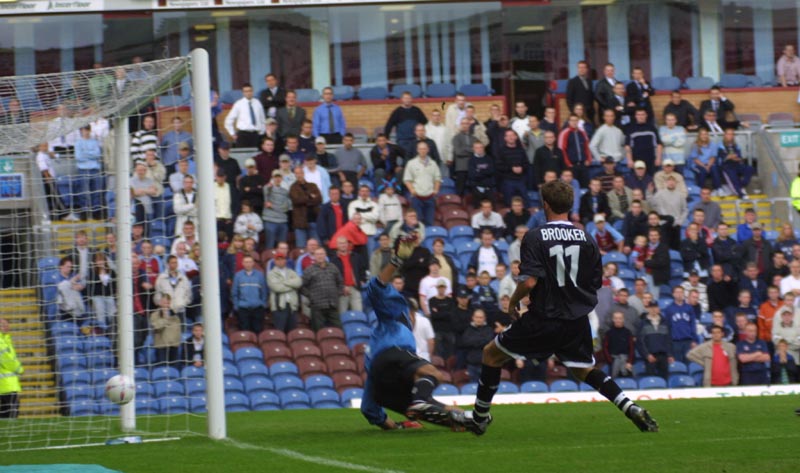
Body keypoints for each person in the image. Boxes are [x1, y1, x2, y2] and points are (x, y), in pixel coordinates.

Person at [461, 180, 658, 435]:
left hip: (543, 317)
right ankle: (629, 406)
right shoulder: (587, 238)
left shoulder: (535, 236)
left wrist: (513, 301)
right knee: (584, 369)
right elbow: (595, 283)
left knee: (491, 354)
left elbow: (530, 281)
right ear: (570, 204)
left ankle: (479, 418)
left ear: (545, 205)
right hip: (575, 320)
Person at [360, 234, 466, 430]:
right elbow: (376, 288)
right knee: (435, 374)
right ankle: (425, 403)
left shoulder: (373, 350)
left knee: (420, 407)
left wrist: (397, 426)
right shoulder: (394, 317)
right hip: (391, 355)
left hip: (382, 383)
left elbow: (368, 408)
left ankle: (458, 420)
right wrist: (397, 260)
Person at [302, 248, 344, 331]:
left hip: (332, 304)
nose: (320, 256)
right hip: (317, 306)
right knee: (319, 331)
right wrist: (311, 296)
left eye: (321, 254)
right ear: (314, 256)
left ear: (325, 255)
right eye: (317, 254)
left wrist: (337, 293)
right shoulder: (309, 269)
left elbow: (340, 282)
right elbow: (302, 286)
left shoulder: (333, 267)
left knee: (339, 329)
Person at [403, 141, 441, 227]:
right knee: (417, 223)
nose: (422, 151)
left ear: (428, 150)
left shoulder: (433, 163)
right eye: (420, 149)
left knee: (429, 222)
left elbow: (437, 178)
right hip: (417, 198)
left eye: (424, 149)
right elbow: (407, 179)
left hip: (430, 198)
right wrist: (412, 191)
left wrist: (435, 190)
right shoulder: (411, 163)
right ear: (417, 150)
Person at [231, 255, 268, 333]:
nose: (248, 264)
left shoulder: (260, 275)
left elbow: (264, 291)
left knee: (258, 330)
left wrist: (263, 304)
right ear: (243, 263)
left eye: (250, 262)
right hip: (243, 308)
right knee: (245, 330)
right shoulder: (238, 275)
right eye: (246, 262)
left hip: (257, 308)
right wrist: (237, 306)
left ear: (253, 263)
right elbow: (234, 292)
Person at [267, 252, 302, 333]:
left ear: (285, 260)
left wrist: (283, 282)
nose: (280, 261)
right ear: (275, 261)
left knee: (292, 332)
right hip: (279, 306)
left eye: (282, 259)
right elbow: (277, 288)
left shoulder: (291, 272)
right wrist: (292, 285)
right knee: (280, 331)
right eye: (278, 259)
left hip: (292, 306)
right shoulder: (271, 274)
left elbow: (299, 282)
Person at [224, 84, 266, 148]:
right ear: (243, 93)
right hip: (243, 135)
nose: (248, 93)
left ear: (252, 91)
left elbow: (262, 119)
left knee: (255, 157)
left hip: (255, 135)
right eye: (246, 91)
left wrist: (261, 132)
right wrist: (232, 133)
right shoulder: (238, 104)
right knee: (243, 156)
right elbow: (228, 120)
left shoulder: (258, 103)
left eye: (250, 91)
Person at [718, 128, 754, 198]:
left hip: (736, 164)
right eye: (728, 134)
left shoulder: (736, 146)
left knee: (750, 169)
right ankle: (741, 194)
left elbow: (739, 157)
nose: (730, 136)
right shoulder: (720, 146)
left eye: (732, 134)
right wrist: (728, 157)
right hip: (726, 166)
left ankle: (742, 185)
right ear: (725, 135)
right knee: (733, 177)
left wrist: (737, 159)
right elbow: (720, 159)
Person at [625, 108, 662, 174]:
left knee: (651, 180)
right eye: (638, 115)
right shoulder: (631, 129)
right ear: (635, 116)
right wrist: (629, 160)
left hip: (651, 160)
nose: (640, 116)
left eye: (642, 114)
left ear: (646, 115)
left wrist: (658, 158)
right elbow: (628, 146)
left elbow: (658, 144)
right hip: (636, 160)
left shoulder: (652, 128)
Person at [149, 294, 181, 366]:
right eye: (165, 303)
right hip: (161, 346)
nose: (166, 305)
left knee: (174, 369)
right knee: (162, 368)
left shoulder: (175, 315)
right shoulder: (154, 315)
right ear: (160, 303)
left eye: (168, 303)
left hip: (173, 345)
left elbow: (177, 330)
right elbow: (156, 327)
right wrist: (165, 318)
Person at [0, 319, 22, 418]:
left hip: (8, 384)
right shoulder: (1, 341)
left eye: (6, 324)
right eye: (2, 325)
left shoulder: (6, 339)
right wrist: (19, 369)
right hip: (5, 386)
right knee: (10, 416)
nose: (5, 326)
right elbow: (7, 359)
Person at [603, 311, 635, 378]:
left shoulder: (628, 332)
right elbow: (605, 348)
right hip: (613, 361)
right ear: (613, 319)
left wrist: (629, 362)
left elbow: (631, 348)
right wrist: (611, 361)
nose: (618, 320)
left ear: (623, 319)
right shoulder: (608, 333)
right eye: (616, 318)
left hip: (626, 361)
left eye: (620, 318)